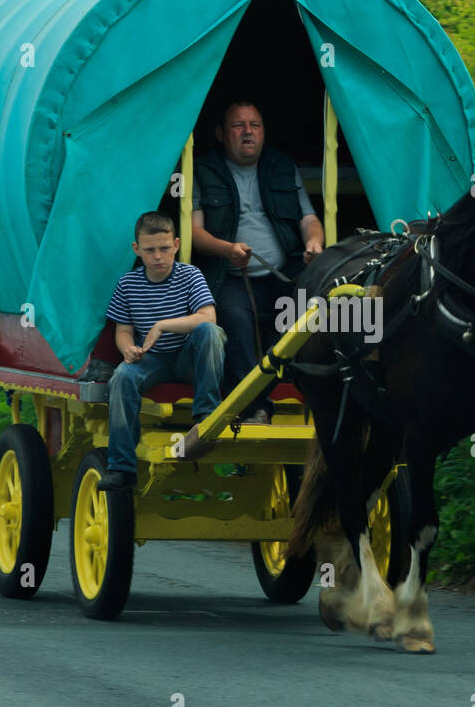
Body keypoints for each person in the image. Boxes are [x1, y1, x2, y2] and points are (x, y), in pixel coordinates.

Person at [190, 101, 325, 422]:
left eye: (255, 125)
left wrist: (314, 242)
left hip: (284, 274)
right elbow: (193, 232)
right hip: (230, 275)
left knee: (324, 314)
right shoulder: (202, 170)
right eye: (238, 125)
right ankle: (255, 408)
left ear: (264, 133)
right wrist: (227, 249)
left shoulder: (282, 166)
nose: (248, 131)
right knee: (234, 320)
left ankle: (320, 397)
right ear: (221, 134)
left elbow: (309, 218)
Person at [101, 212, 226, 488]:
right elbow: (123, 330)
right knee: (122, 376)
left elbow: (208, 317)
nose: (158, 256)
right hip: (151, 359)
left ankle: (206, 418)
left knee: (210, 332)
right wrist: (127, 349)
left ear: (177, 244)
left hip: (187, 358)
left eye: (165, 248)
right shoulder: (128, 283)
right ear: (137, 249)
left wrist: (162, 325)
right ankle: (121, 467)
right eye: (150, 250)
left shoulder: (190, 275)